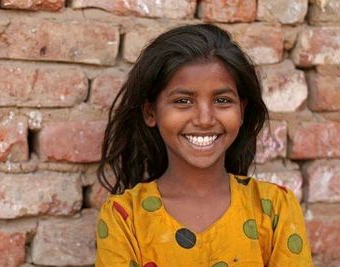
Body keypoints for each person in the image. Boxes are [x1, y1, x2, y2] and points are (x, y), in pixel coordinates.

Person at [95, 24, 313, 267]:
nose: (205, 119)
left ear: (241, 110)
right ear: (150, 112)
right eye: (183, 101)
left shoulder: (274, 208)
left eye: (222, 100)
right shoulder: (125, 216)